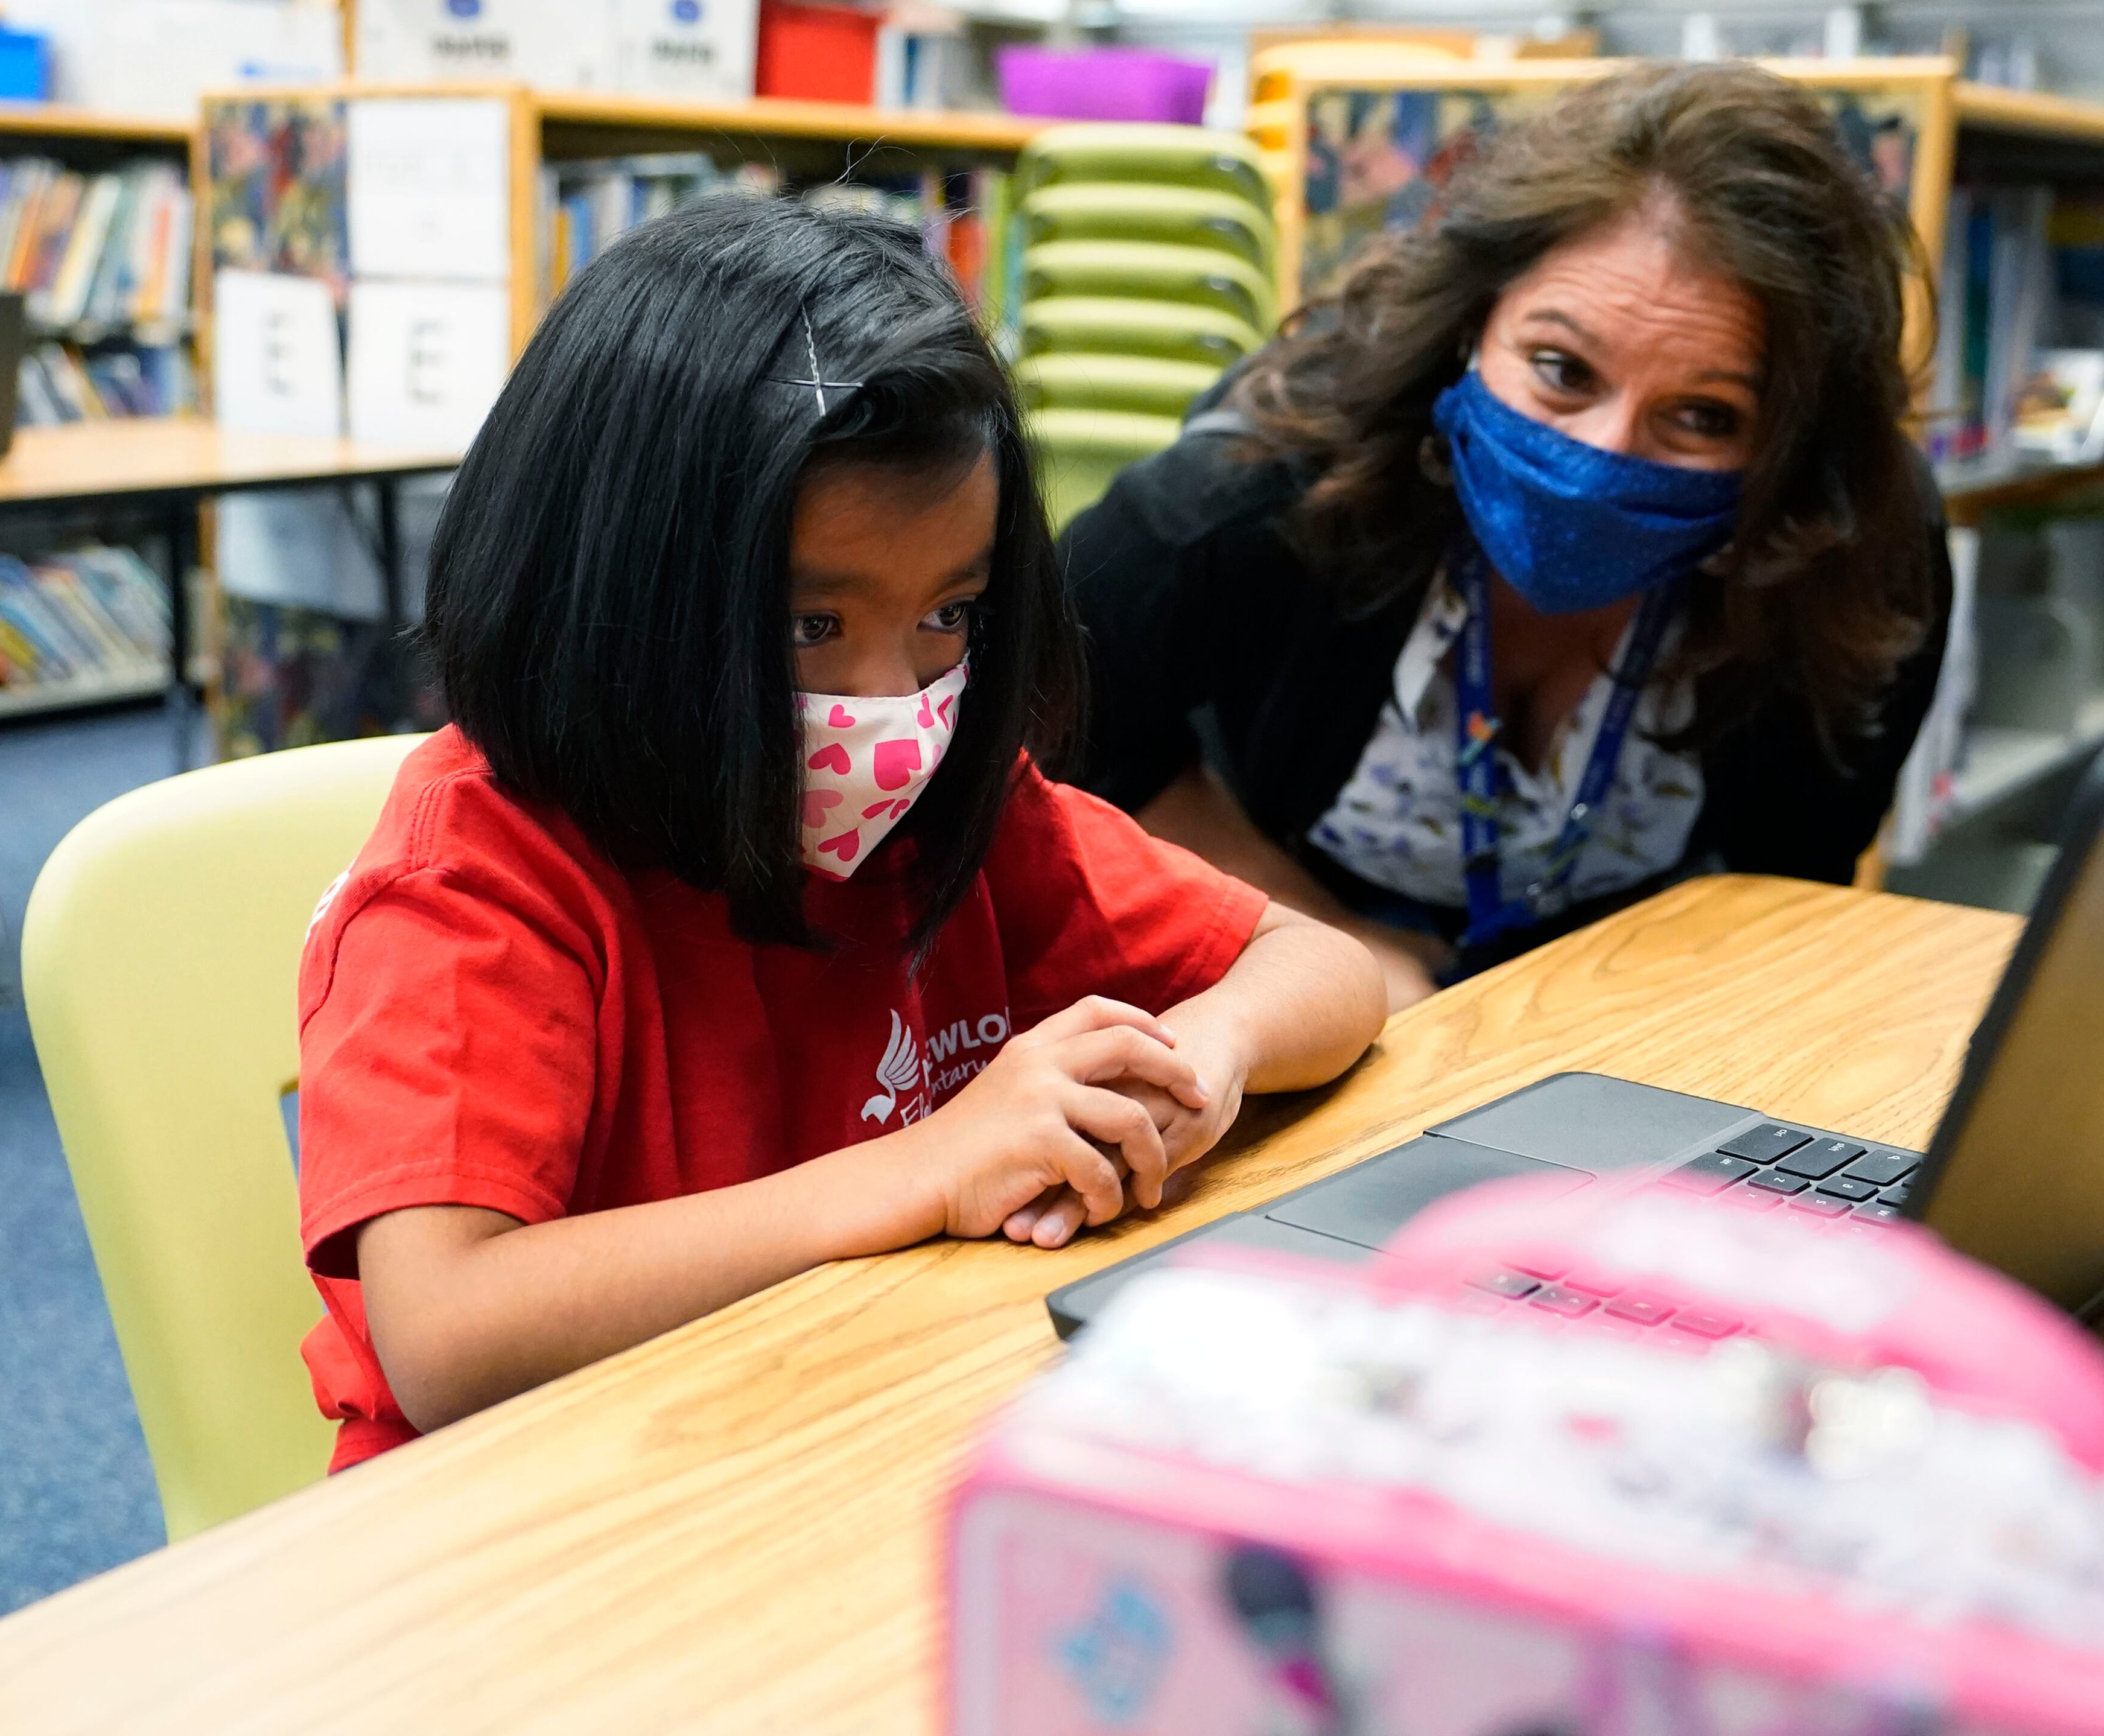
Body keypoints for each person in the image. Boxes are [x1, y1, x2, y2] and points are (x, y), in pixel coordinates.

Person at [294, 196, 1385, 1467]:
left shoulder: (954, 813)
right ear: (611, 593)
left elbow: (1324, 969)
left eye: (952, 616)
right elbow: (449, 1334)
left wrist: (1205, 1053)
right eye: (812, 626)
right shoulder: (474, 878)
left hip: (828, 1420)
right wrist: (930, 1162)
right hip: (535, 1523)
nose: (892, 706)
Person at [1061, 62, 1950, 1009]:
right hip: (1285, 992)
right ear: (1469, 325)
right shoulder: (1250, 495)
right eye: (1562, 368)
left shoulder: (1861, 552)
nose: (1602, 456)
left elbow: (1791, 890)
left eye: (1705, 416)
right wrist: (1328, 950)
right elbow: (1054, 737)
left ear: (1795, 448)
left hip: (1628, 1013)